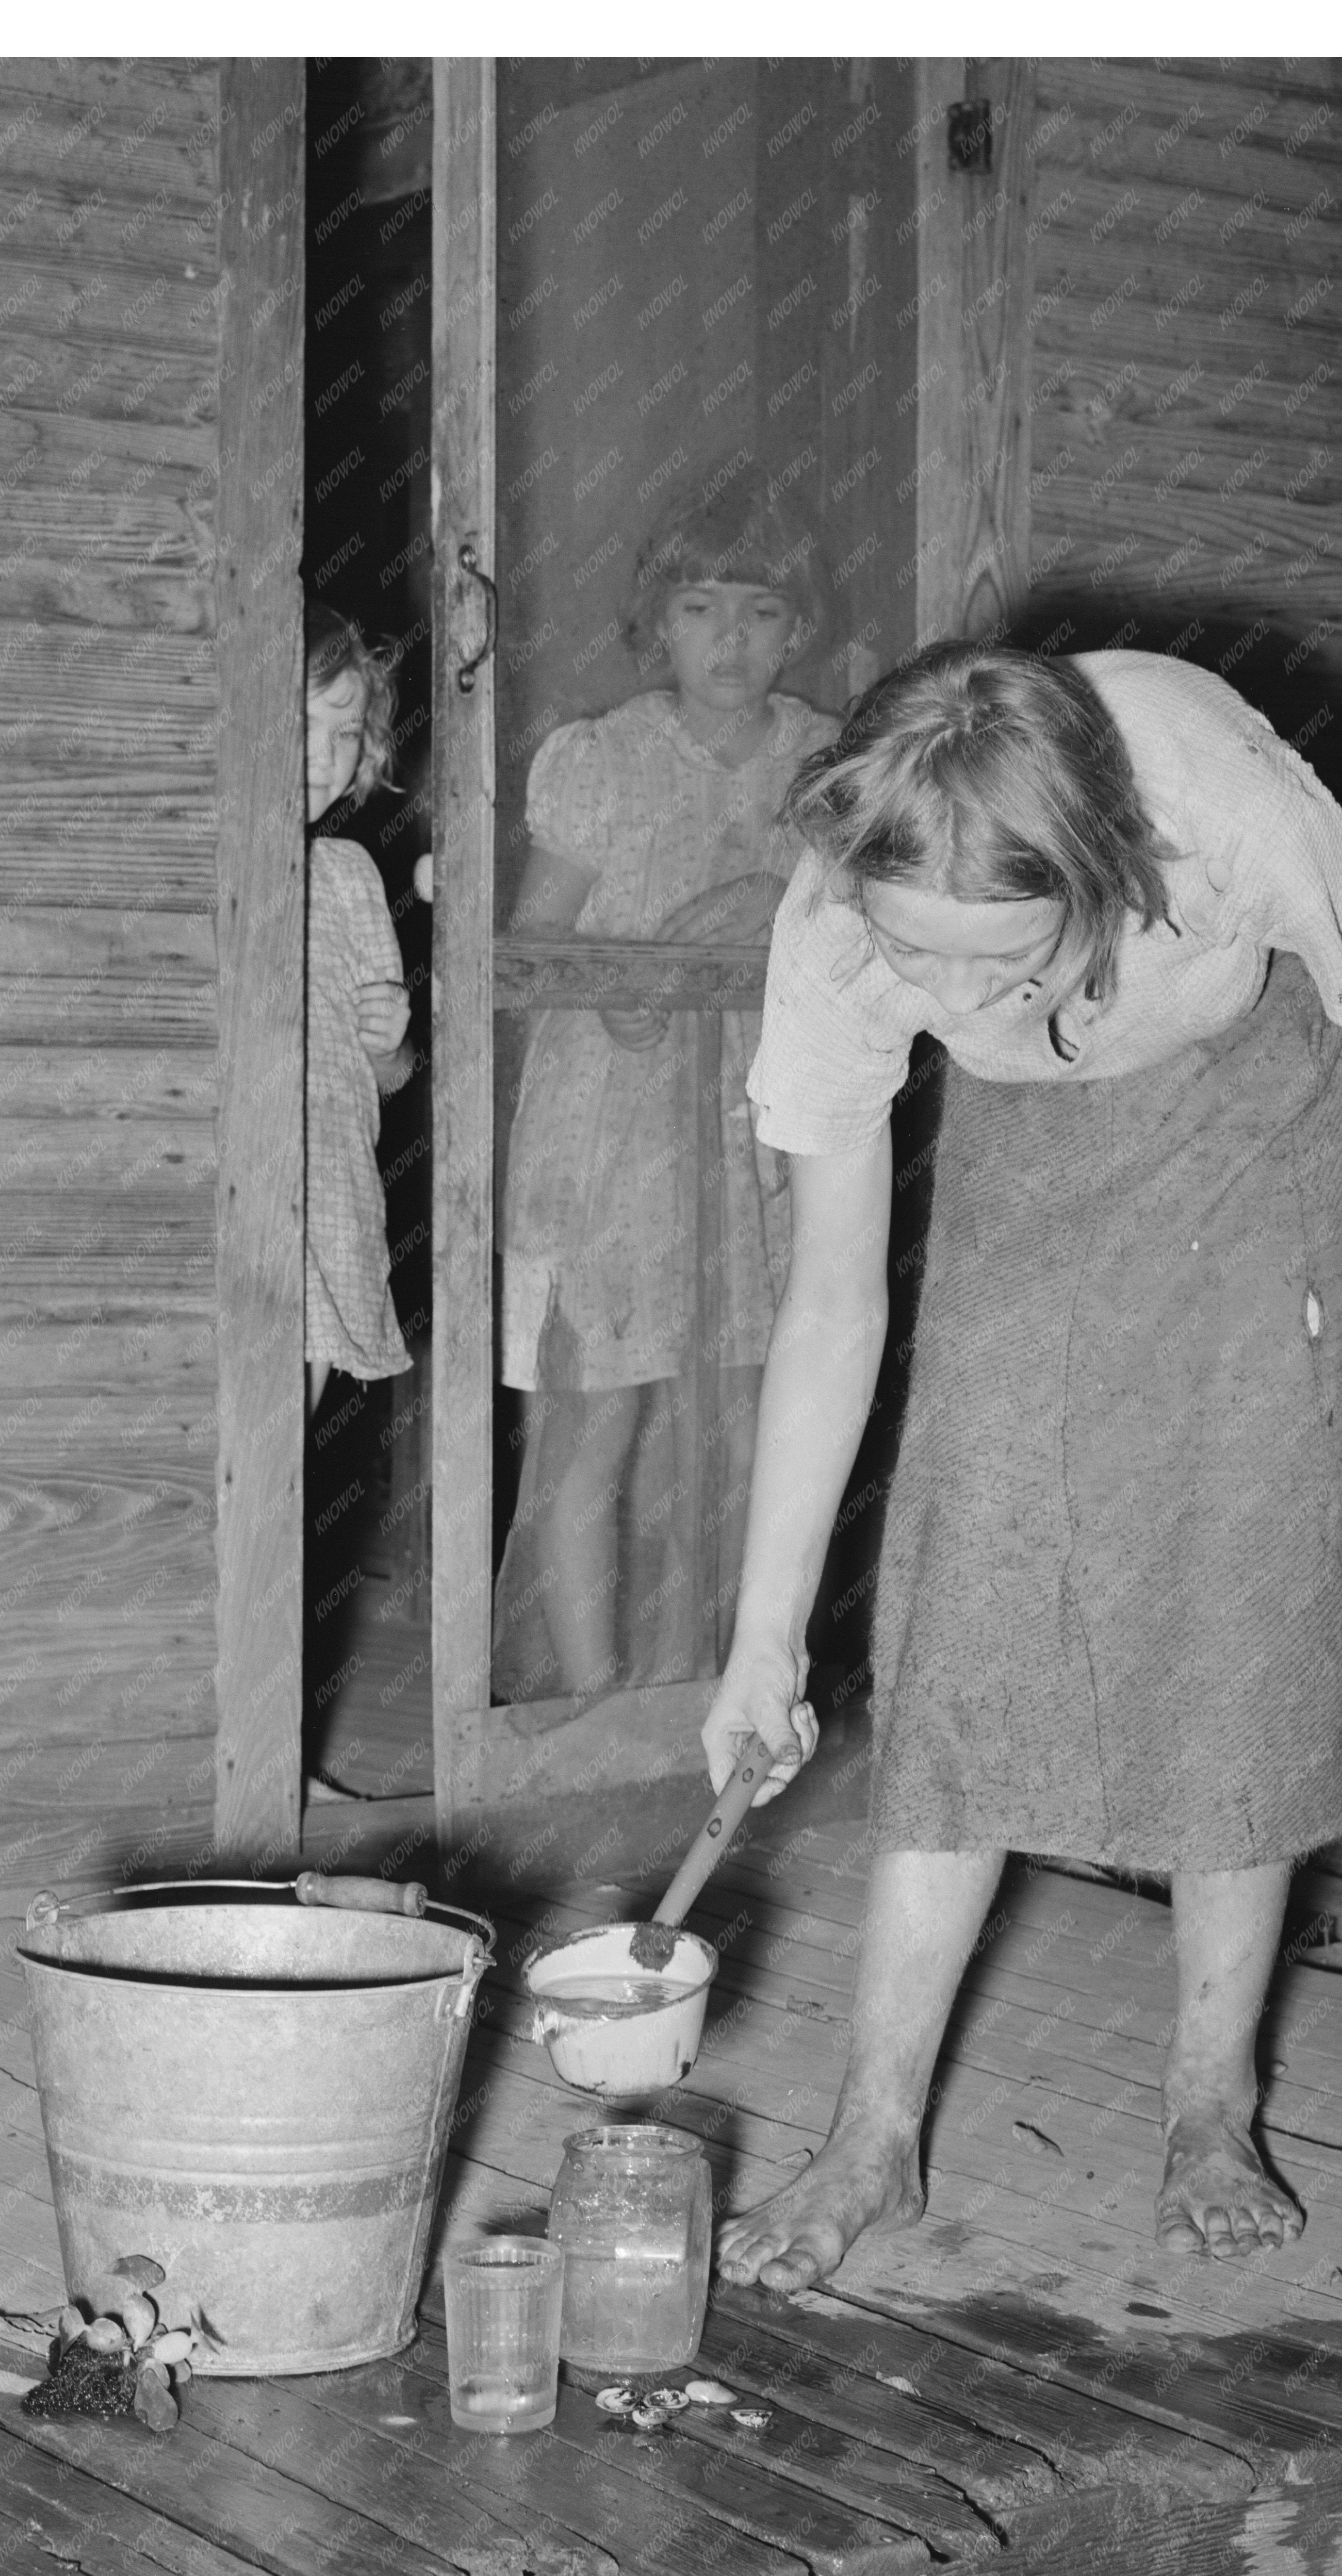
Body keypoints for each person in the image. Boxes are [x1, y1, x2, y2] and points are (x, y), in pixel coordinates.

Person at [701, 639, 1342, 2286]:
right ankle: (870, 2138)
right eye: (918, 957)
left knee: (1237, 1584)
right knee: (973, 1587)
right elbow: (832, 1299)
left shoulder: (1216, 811)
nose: (948, 1002)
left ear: (1100, 872)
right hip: (1044, 1133)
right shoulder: (834, 930)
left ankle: (1207, 2101)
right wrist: (762, 1638)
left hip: (1277, 1105)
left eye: (993, 958)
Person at [492, 468, 841, 1700]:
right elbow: (533, 951)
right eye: (698, 609)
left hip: (755, 1139)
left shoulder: (824, 767)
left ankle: (727, 1691)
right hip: (609, 1141)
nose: (728, 640)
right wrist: (637, 966)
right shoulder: (601, 761)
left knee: (754, 1420)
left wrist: (763, 906)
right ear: (656, 623)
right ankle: (593, 1705)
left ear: (795, 625)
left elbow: (857, 935)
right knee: (602, 1418)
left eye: (756, 611)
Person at [302, 601, 416, 1772]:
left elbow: (386, 1077)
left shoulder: (345, 871)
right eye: (307, 727)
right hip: (245, 1221)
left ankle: (279, 1742)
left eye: (347, 736)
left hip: (331, 1203)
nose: (328, 762)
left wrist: (391, 1037)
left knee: (304, 1481)